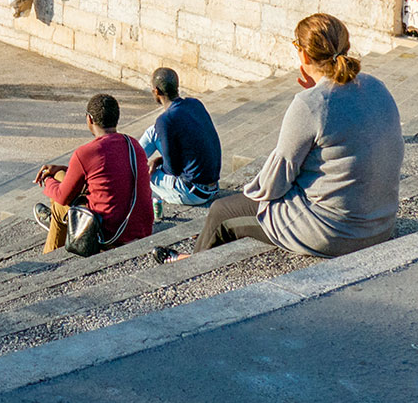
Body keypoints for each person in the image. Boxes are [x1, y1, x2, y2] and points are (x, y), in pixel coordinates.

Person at [161, 14, 402, 264]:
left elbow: (271, 185)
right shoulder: (375, 86)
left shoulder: (310, 105)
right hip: (381, 224)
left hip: (336, 234)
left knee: (221, 212)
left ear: (304, 56)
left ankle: (191, 264)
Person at [35, 93, 153, 251]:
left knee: (57, 204)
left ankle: (50, 254)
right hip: (141, 230)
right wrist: (62, 171)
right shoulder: (133, 144)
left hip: (109, 235)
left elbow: (62, 197)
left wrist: (48, 179)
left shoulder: (86, 153)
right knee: (61, 177)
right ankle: (63, 225)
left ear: (89, 119)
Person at [139, 67, 222, 209]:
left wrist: (157, 163)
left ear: (156, 91)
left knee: (146, 175)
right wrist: (160, 160)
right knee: (153, 132)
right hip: (213, 187)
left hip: (194, 193)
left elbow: (173, 170)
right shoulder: (195, 104)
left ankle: (128, 165)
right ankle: (132, 160)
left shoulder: (165, 120)